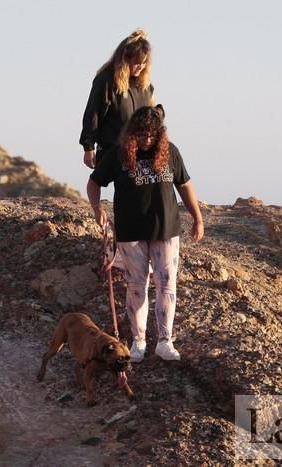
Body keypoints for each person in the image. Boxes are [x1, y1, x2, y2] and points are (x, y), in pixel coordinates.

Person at [87, 105, 204, 362]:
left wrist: (197, 217)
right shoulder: (118, 154)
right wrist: (97, 209)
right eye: (141, 134)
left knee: (166, 285)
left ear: (159, 133)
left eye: (151, 134)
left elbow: (184, 184)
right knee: (136, 286)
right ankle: (138, 341)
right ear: (132, 133)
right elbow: (94, 183)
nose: (146, 139)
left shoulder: (170, 152)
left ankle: (165, 341)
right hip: (131, 232)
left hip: (165, 230)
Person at [80, 29, 154, 169]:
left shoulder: (145, 85)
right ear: (125, 59)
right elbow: (93, 114)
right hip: (112, 150)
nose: (141, 67)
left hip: (140, 152)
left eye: (144, 63)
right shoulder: (106, 81)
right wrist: (88, 147)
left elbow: (151, 117)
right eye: (137, 63)